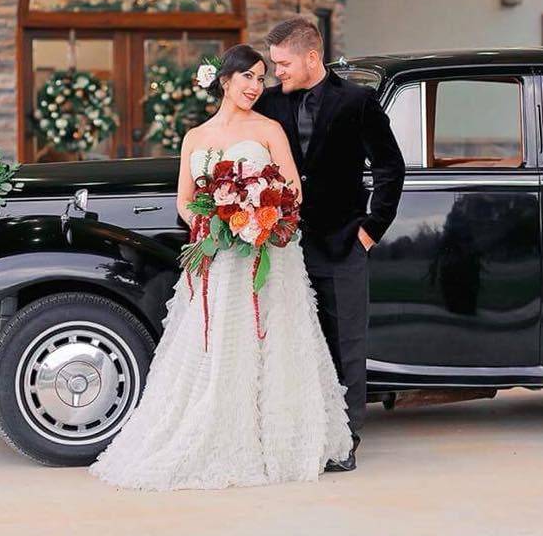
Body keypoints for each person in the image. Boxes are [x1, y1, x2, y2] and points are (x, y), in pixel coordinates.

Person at [88, 44, 354, 491]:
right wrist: (213, 222)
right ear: (225, 80)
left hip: (267, 254)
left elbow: (293, 191)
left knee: (275, 342)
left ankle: (279, 440)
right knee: (220, 346)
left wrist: (254, 214)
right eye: (247, 77)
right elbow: (185, 201)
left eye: (261, 77)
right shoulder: (196, 136)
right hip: (218, 257)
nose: (255, 86)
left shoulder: (270, 129)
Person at [254, 17, 405, 471]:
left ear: (311, 57)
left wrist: (369, 230)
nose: (276, 71)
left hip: (343, 244)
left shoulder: (357, 102)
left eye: (283, 63)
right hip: (285, 249)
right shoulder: (269, 105)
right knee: (294, 341)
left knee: (345, 344)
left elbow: (390, 169)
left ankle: (344, 441)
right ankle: (299, 433)